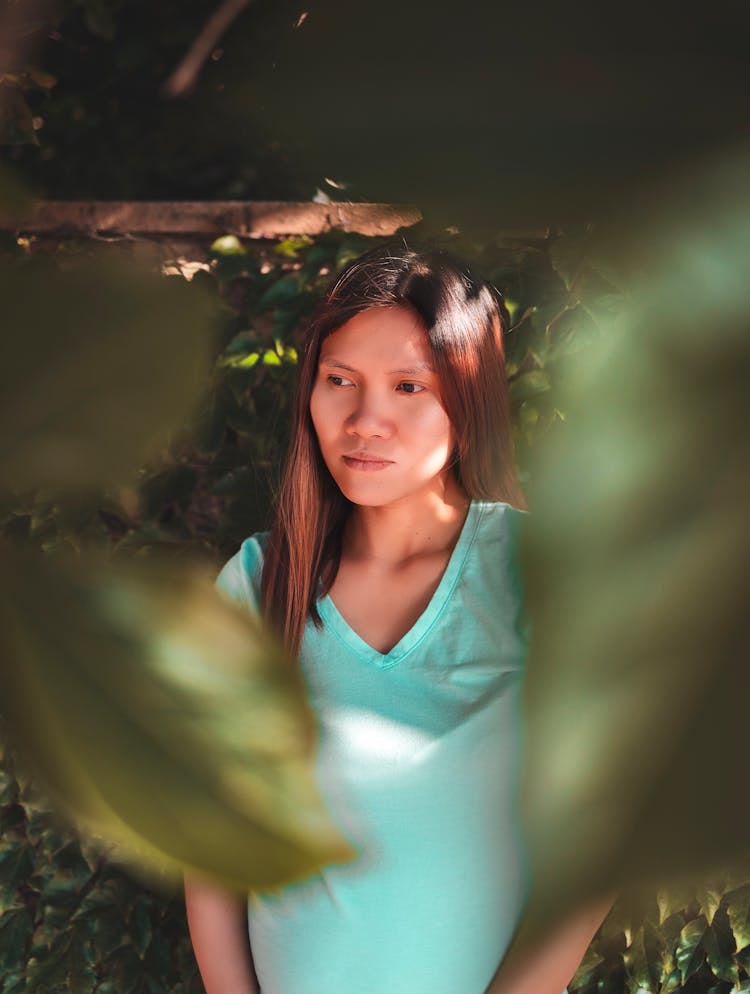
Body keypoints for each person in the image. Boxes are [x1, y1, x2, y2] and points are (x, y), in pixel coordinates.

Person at [184, 243, 607, 994]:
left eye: (409, 386)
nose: (365, 420)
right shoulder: (256, 586)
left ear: (467, 398)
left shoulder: (538, 574)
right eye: (339, 381)